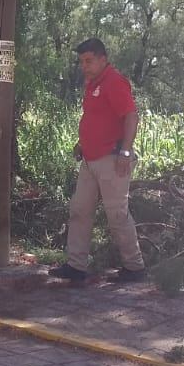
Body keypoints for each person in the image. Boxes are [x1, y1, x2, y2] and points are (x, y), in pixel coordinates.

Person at [50, 38, 147, 284]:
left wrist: (125, 153)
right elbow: (96, 119)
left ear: (103, 60)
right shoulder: (91, 83)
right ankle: (76, 266)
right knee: (80, 210)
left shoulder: (114, 82)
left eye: (89, 61)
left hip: (112, 160)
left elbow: (131, 117)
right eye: (81, 61)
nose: (84, 66)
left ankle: (134, 268)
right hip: (89, 160)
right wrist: (82, 143)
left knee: (117, 214)